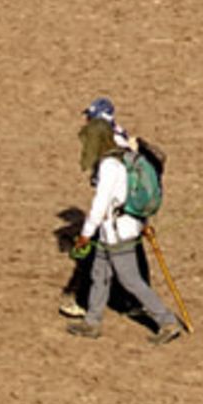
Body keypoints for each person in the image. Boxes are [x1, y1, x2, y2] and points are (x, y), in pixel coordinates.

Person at [68, 95, 182, 343]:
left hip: (118, 232)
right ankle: (92, 322)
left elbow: (100, 205)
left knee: (130, 280)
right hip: (113, 231)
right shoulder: (119, 156)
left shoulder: (109, 166)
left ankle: (167, 321)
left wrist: (85, 235)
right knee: (100, 274)